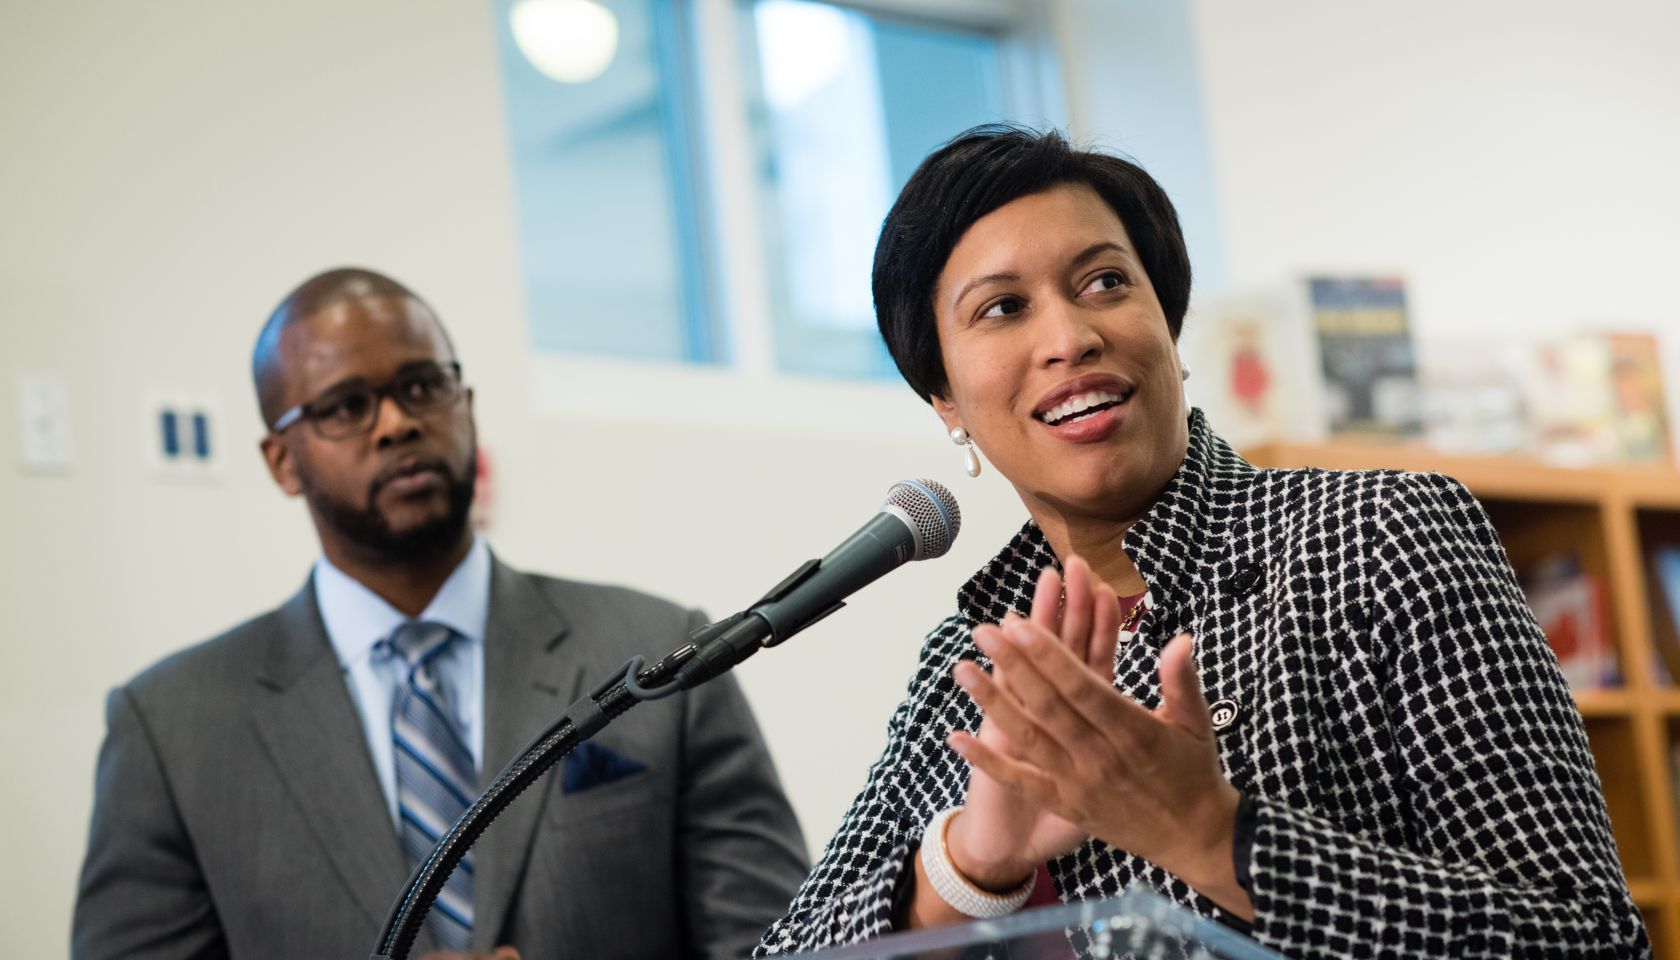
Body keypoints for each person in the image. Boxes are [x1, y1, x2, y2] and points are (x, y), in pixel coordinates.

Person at [756, 126, 1648, 959]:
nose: (1070, 338)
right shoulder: (971, 663)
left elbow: (1586, 939)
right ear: (945, 401)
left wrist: (1213, 835)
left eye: (1105, 283)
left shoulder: (1380, 535)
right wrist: (967, 869)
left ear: (1170, 327)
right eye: (1002, 308)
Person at [73, 268, 809, 960]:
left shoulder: (661, 652)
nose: (396, 424)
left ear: (467, 406)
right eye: (346, 406)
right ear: (281, 461)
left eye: (423, 386)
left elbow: (782, 946)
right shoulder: (171, 729)